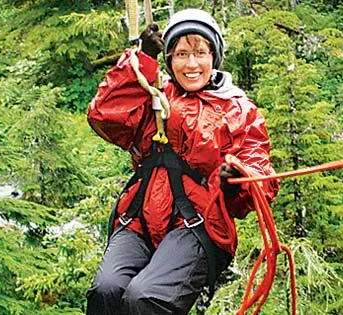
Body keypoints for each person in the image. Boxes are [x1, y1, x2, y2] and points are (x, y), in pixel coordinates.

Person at [85, 8, 279, 315]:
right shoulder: (153, 95)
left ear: (214, 57)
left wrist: (235, 182)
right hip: (140, 216)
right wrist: (142, 58)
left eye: (200, 53)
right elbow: (104, 116)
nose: (191, 64)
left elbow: (259, 168)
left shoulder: (237, 109)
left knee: (144, 298)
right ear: (169, 60)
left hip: (199, 224)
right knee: (106, 290)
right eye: (181, 54)